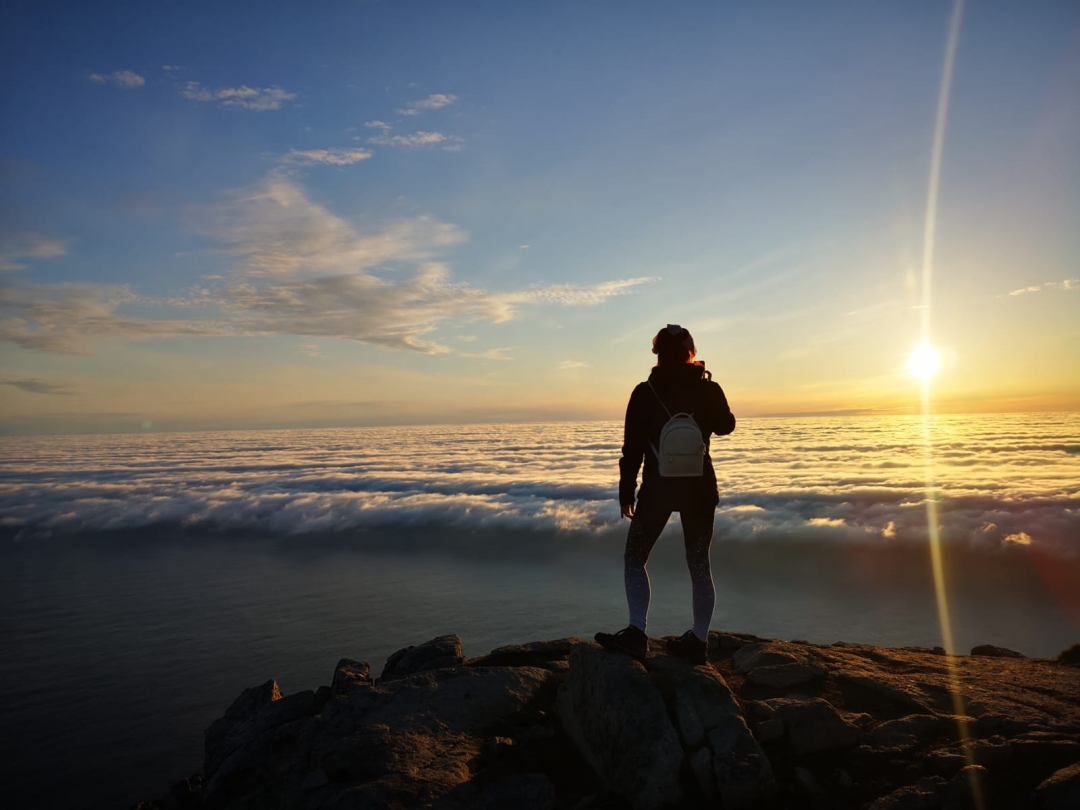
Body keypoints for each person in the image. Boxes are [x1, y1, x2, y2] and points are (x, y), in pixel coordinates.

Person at [595, 324, 736, 665]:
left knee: (634, 559)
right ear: (691, 352)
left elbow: (632, 449)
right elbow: (727, 425)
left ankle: (637, 634)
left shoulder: (645, 392)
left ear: (657, 355)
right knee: (699, 564)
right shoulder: (708, 388)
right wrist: (708, 395)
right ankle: (698, 642)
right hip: (700, 488)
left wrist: (625, 492)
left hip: (658, 488)